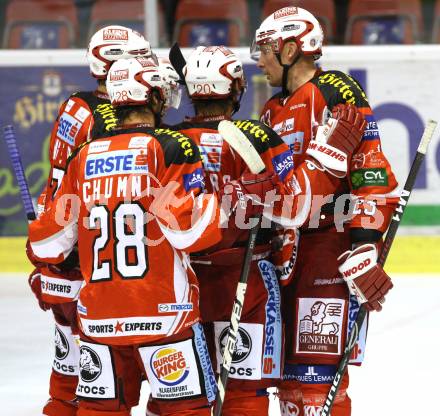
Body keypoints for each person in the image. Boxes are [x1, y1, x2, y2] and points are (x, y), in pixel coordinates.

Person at [27, 56, 280, 416]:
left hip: (99, 319)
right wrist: (233, 199)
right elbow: (189, 232)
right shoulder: (168, 146)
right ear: (154, 97)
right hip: (164, 317)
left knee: (98, 412)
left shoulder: (83, 156)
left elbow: (46, 243)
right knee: (184, 410)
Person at [163, 45, 369, 416]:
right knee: (244, 392)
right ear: (235, 88)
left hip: (182, 286)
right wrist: (328, 157)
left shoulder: (166, 143)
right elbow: (291, 207)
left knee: (182, 394)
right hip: (246, 281)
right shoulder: (257, 134)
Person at [252, 6, 398, 416]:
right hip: (284, 256)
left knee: (317, 379)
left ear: (291, 48)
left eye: (265, 49)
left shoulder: (337, 90)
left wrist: (365, 243)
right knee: (287, 380)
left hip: (328, 252)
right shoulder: (271, 110)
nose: (258, 59)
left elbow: (370, 167)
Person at [26, 25, 155, 416]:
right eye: (140, 58)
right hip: (93, 265)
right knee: (108, 384)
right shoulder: (111, 121)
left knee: (67, 379)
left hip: (59, 252)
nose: (148, 65)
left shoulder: (74, 104)